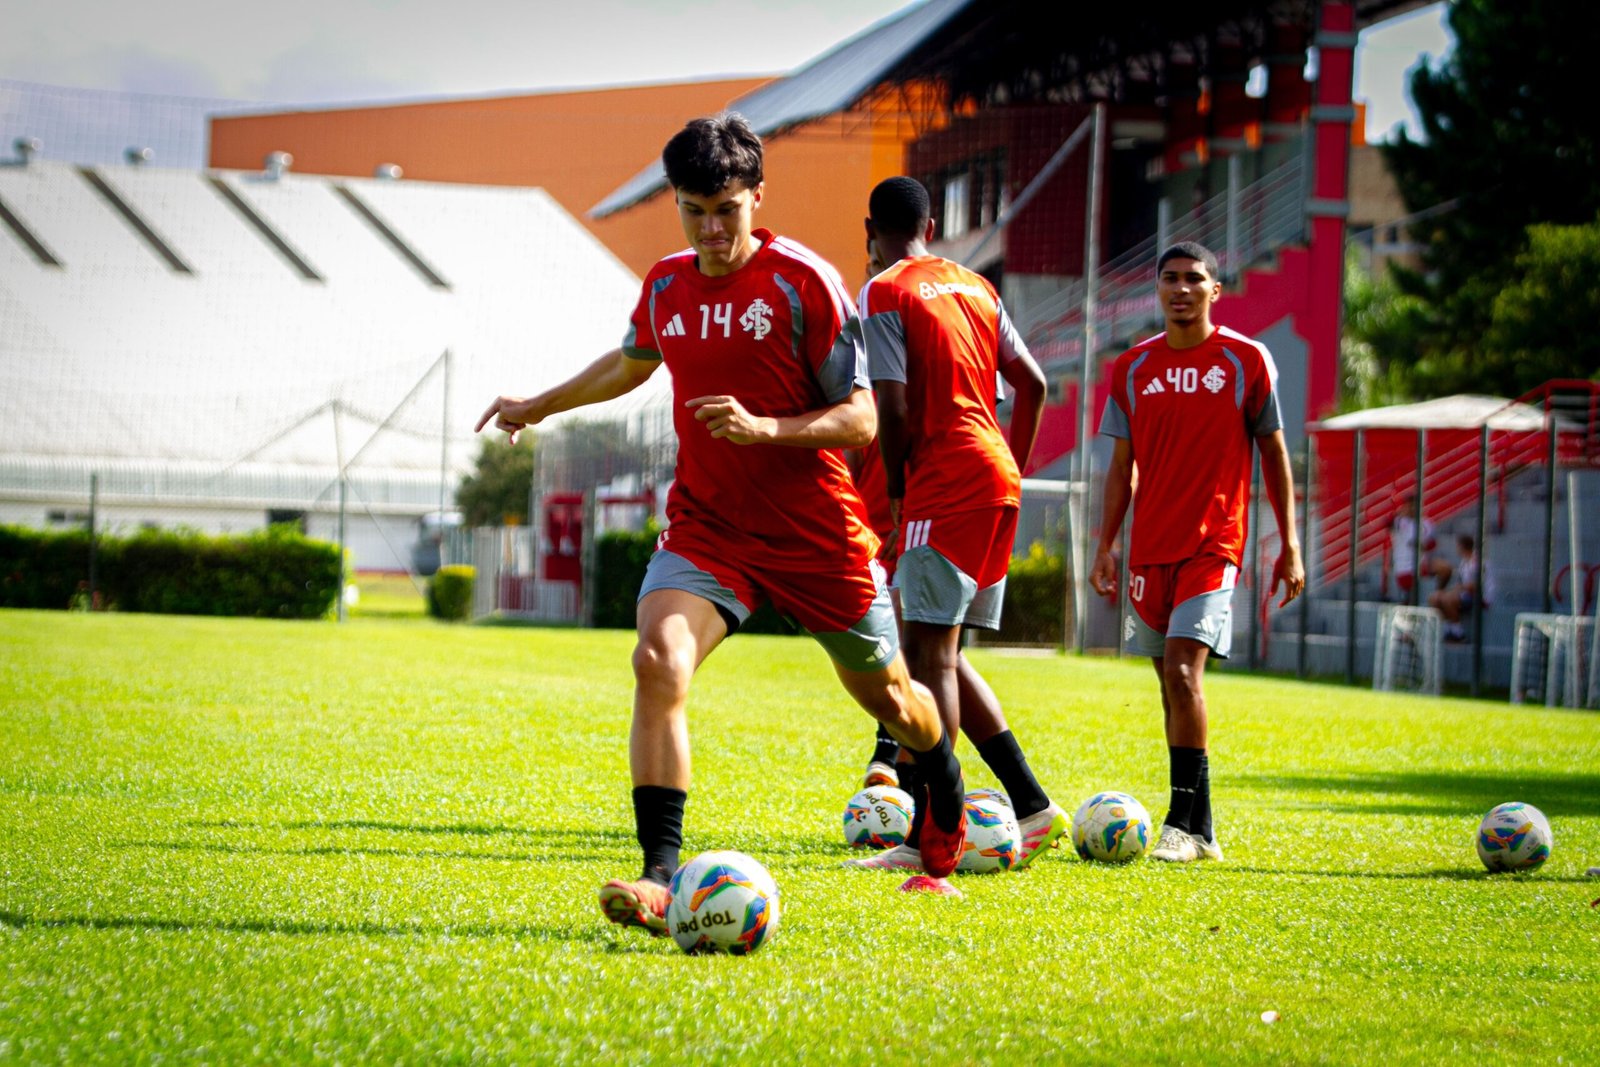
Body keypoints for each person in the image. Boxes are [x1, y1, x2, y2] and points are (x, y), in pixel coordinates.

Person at [477, 115, 969, 924]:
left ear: (757, 199)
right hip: (709, 529)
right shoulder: (667, 284)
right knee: (657, 661)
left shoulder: (802, 281)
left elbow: (860, 418)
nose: (710, 230)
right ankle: (660, 876)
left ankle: (942, 775)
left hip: (816, 532)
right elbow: (632, 360)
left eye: (727, 211)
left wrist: (764, 427)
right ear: (677, 202)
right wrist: (539, 404)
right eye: (694, 210)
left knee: (890, 695)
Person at [843, 176, 1069, 873]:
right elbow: (1032, 383)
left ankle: (930, 837)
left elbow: (894, 407)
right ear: (931, 225)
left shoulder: (884, 290)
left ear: (868, 230)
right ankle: (1031, 805)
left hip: (944, 481)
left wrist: (904, 494)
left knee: (924, 657)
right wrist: (1012, 467)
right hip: (996, 472)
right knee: (945, 654)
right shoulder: (977, 285)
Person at [1089, 241, 1304, 863]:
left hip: (1215, 544)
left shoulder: (1246, 360)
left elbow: (1275, 456)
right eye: (1170, 279)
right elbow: (1119, 466)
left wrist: (1290, 545)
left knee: (1185, 672)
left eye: (1194, 279)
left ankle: (1181, 826)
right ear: (1157, 290)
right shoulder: (1131, 368)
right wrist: (1105, 545)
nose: (1181, 289)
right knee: (1168, 687)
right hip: (1148, 552)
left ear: (1216, 291)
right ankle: (1202, 828)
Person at [1430, 533, 1492, 641]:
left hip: (1481, 597)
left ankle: (1459, 633)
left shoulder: (1477, 561)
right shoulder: (1464, 561)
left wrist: (1457, 590)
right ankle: (1448, 628)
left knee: (1447, 599)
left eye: (1458, 546)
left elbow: (1476, 586)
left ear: (1462, 547)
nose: (1456, 549)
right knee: (1435, 598)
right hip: (1466, 593)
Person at [1386, 491, 1439, 602]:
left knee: (1443, 568)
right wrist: (1399, 513)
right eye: (1409, 505)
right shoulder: (1399, 522)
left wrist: (1421, 546)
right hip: (1403, 568)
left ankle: (1437, 596)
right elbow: (1387, 523)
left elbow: (1432, 544)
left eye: (1414, 505)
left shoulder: (1425, 523)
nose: (1412, 508)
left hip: (1421, 567)